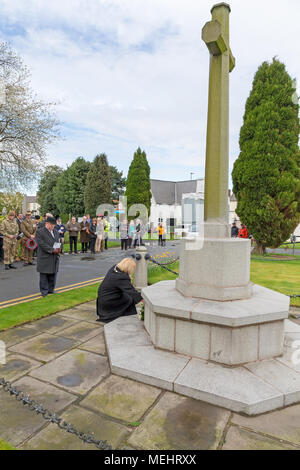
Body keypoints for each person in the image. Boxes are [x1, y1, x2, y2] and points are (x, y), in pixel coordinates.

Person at [97, 258, 143, 323]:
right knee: (130, 299)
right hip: (109, 301)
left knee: (127, 296)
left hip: (103, 297)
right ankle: (117, 313)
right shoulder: (121, 277)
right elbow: (132, 292)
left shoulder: (114, 268)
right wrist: (144, 300)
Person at [36, 216, 61, 297]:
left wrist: (60, 248)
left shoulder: (56, 232)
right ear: (47, 223)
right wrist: (52, 250)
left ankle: (51, 290)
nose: (53, 226)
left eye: (54, 225)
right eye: (51, 225)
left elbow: (59, 242)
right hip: (45, 256)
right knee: (44, 275)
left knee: (53, 274)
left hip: (54, 257)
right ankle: (44, 291)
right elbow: (41, 244)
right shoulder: (40, 232)